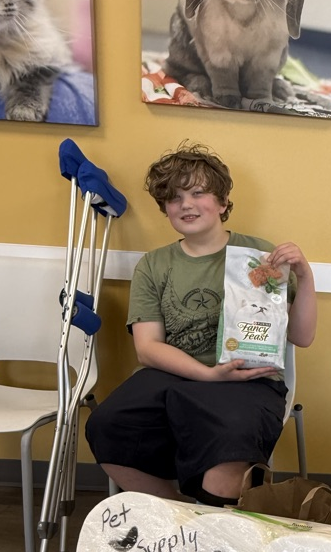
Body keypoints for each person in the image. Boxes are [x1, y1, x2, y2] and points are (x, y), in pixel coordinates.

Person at [85, 142, 317, 506]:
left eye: (198, 193)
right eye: (174, 198)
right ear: (165, 209)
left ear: (223, 202)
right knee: (106, 425)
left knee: (229, 440)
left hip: (248, 378)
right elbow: (148, 348)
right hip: (173, 374)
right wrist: (207, 374)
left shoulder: (261, 256)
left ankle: (213, 527)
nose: (186, 204)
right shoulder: (154, 265)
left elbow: (302, 337)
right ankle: (183, 517)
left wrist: (305, 275)